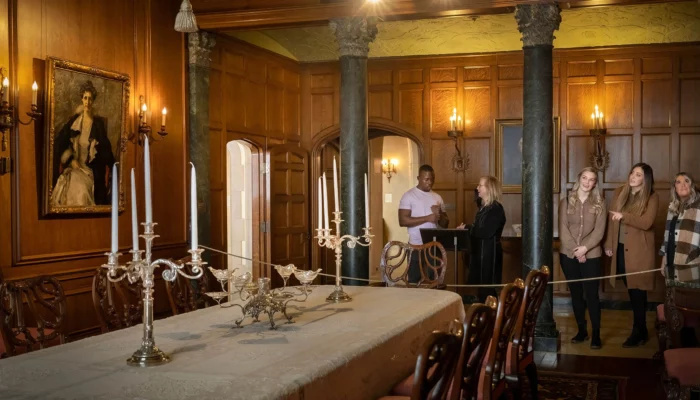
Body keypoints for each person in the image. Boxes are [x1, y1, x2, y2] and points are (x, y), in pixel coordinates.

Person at [604, 162, 659, 347]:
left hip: (639, 251)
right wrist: (609, 243)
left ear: (646, 179)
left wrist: (624, 216)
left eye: (638, 175)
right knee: (632, 287)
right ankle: (641, 328)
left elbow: (647, 222)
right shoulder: (620, 192)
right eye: (633, 173)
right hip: (620, 248)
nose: (633, 177)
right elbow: (612, 220)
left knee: (637, 289)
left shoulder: (652, 197)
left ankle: (639, 330)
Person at [559, 167, 607, 349]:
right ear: (579, 179)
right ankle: (582, 331)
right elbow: (563, 229)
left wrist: (585, 249)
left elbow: (600, 231)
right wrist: (575, 250)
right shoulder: (565, 202)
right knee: (576, 294)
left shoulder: (600, 203)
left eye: (592, 180)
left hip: (592, 255)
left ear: (595, 183)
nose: (588, 182)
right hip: (568, 255)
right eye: (585, 178)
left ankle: (596, 334)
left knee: (592, 296)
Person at [51, 80, 115, 207]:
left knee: (81, 191)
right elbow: (59, 142)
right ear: (82, 99)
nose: (87, 102)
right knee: (68, 185)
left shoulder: (98, 125)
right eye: (85, 98)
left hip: (90, 171)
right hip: (75, 168)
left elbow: (106, 149)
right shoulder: (74, 122)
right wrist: (70, 160)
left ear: (93, 101)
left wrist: (114, 166)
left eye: (90, 99)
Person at [659, 172, 700, 347]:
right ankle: (676, 346)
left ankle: (691, 348)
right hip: (671, 264)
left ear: (692, 185)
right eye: (678, 182)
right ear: (674, 187)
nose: (682, 184)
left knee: (690, 309)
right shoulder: (672, 207)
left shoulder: (698, 206)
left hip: (692, 267)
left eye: (686, 181)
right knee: (673, 306)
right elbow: (667, 237)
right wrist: (663, 260)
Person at [457, 176, 505, 302]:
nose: (477, 188)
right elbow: (478, 228)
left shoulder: (496, 209)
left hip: (489, 255)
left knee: (488, 291)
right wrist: (467, 228)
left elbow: (485, 232)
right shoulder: (484, 208)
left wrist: (468, 229)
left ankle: (491, 318)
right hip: (481, 254)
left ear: (489, 189)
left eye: (480, 185)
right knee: (481, 291)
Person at [398, 164, 449, 283]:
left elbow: (445, 223)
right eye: (426, 179)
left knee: (435, 280)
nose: (430, 182)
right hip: (416, 246)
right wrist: (427, 218)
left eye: (432, 179)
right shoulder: (409, 196)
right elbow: (403, 221)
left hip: (434, 246)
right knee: (414, 280)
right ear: (418, 178)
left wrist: (440, 213)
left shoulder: (437, 197)